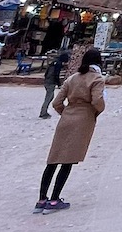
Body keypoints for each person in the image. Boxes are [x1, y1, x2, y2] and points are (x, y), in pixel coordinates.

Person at [36, 47, 106, 213]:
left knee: (53, 160)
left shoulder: (73, 78)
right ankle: (54, 200)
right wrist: (96, 112)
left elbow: (56, 103)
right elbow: (97, 100)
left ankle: (42, 199)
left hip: (66, 118)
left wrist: (66, 113)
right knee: (68, 161)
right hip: (83, 119)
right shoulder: (97, 79)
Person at [40, 49, 71, 118]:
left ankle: (44, 111)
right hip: (51, 82)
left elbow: (47, 72)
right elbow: (56, 74)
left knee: (50, 97)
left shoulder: (54, 62)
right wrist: (59, 84)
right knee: (48, 98)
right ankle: (43, 113)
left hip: (47, 81)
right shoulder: (58, 64)